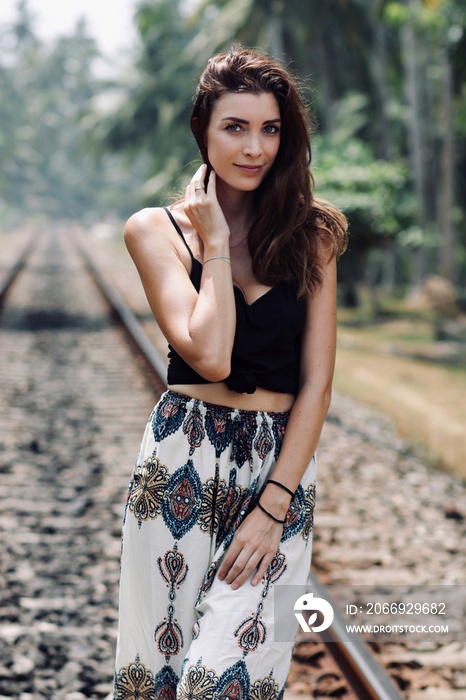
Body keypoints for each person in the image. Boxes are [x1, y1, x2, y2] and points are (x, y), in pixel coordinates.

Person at [113, 45, 347, 700]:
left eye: (270, 128)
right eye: (235, 127)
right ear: (203, 132)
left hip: (275, 471)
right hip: (177, 463)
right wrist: (215, 243)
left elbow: (317, 385)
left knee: (225, 683)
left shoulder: (314, 234)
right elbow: (209, 356)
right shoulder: (154, 231)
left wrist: (274, 506)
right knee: (154, 683)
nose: (255, 148)